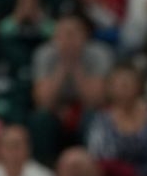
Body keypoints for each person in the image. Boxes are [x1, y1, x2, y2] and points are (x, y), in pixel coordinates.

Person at [30, 8, 113, 163]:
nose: (68, 40)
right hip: (56, 113)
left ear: (85, 35)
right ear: (55, 36)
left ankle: (90, 165)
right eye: (63, 34)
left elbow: (96, 100)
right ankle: (45, 167)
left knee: (95, 118)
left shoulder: (99, 54)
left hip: (84, 112)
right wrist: (62, 66)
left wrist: (75, 66)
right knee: (40, 120)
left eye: (73, 34)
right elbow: (43, 102)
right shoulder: (44, 54)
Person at [86, 61, 147, 176]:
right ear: (109, 88)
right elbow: (98, 159)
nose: (123, 89)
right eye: (118, 84)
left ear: (139, 86)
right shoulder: (101, 121)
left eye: (127, 84)